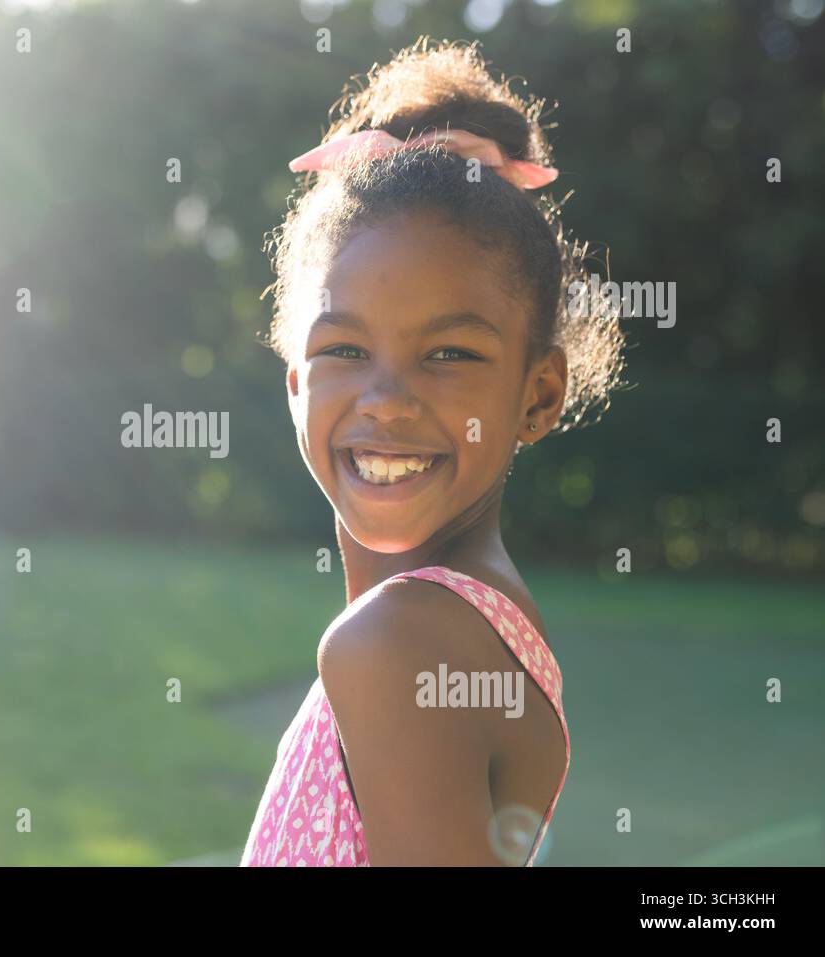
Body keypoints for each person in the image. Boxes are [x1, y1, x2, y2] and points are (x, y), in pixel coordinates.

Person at [240, 37, 628, 867]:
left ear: (539, 395)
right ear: (294, 382)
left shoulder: (401, 641)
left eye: (449, 354)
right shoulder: (458, 623)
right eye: (345, 349)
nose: (386, 399)